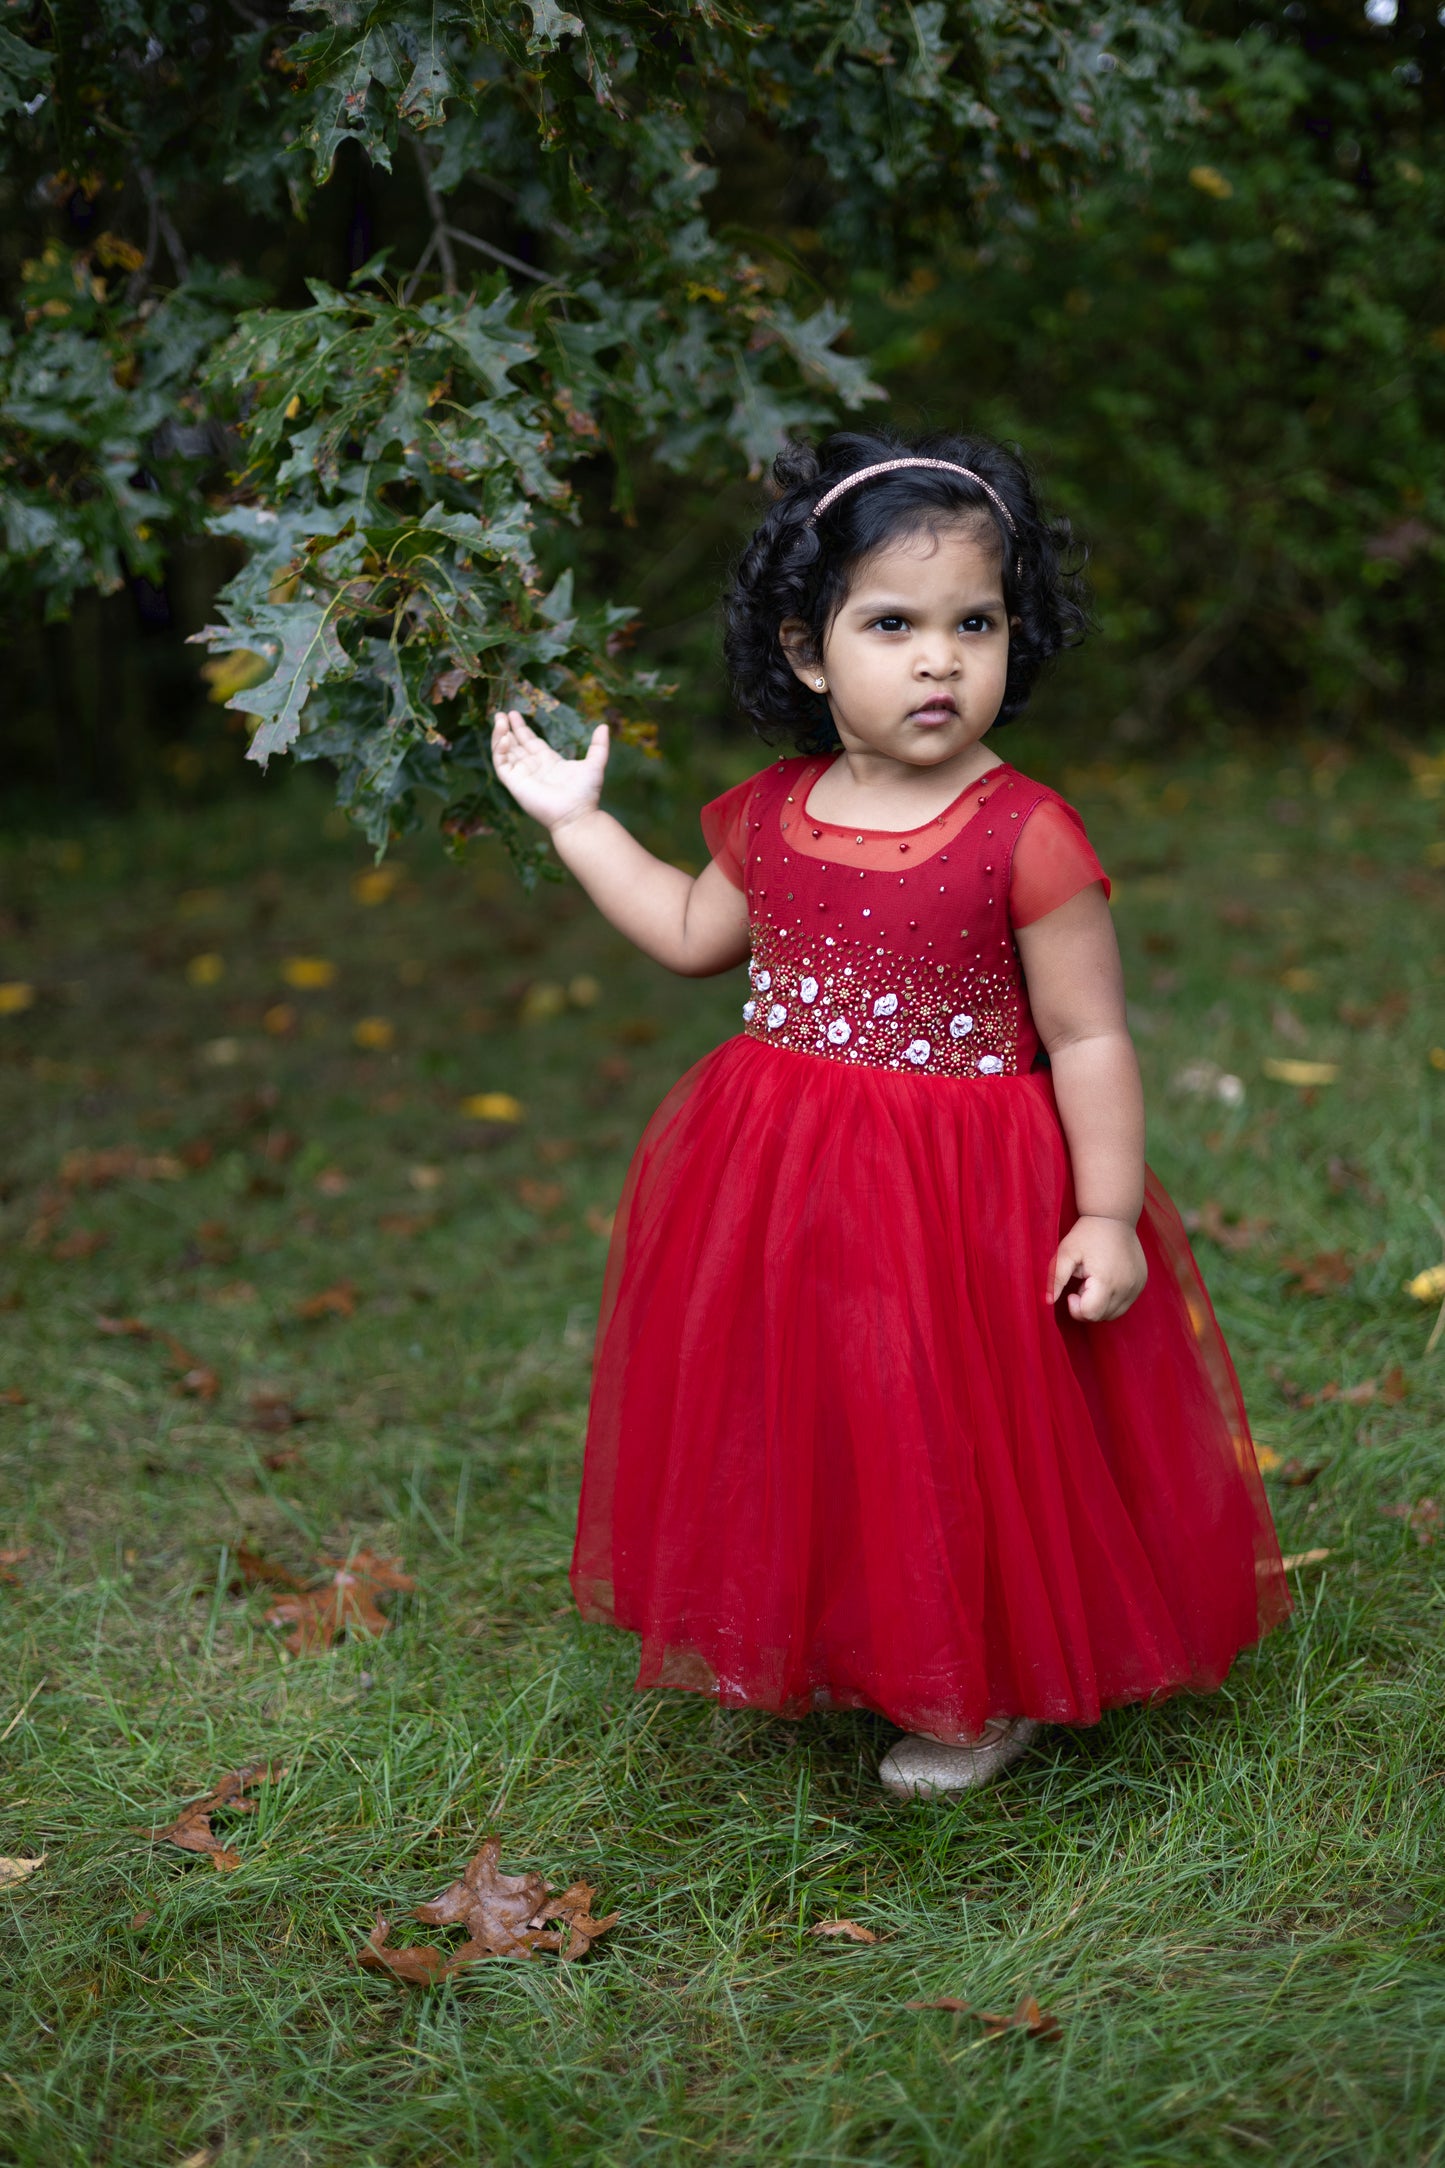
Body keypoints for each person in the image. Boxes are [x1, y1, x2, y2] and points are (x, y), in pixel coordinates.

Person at [491, 429, 1290, 1800]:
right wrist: (577, 824)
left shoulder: (1021, 832)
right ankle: (843, 1633)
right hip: (784, 1168)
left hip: (961, 1187)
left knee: (944, 1419)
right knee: (820, 1410)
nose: (937, 658)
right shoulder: (776, 811)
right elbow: (691, 933)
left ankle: (974, 1679)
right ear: (806, 651)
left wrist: (1103, 1209)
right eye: (892, 624)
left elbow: (1087, 1033)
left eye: (973, 622)